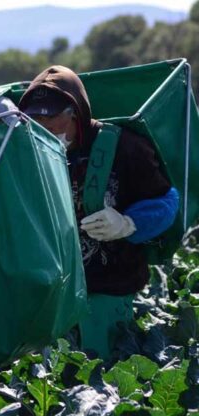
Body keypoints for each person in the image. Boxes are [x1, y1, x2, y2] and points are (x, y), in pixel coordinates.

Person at [19, 65, 179, 359]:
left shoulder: (125, 147)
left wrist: (128, 223)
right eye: (36, 125)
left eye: (53, 125)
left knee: (107, 381)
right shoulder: (29, 152)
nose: (45, 134)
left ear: (76, 114)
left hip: (112, 288)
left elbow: (167, 201)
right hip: (56, 297)